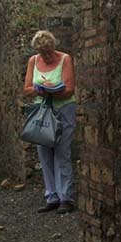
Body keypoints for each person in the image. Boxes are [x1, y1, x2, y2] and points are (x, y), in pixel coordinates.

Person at [22, 29, 77, 214]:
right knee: (44, 153)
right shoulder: (33, 61)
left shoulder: (65, 59)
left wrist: (54, 90)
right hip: (42, 110)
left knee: (62, 152)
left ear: (53, 48)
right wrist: (38, 90)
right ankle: (51, 195)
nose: (45, 56)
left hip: (63, 109)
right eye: (41, 52)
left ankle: (65, 197)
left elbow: (70, 89)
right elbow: (27, 88)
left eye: (48, 52)